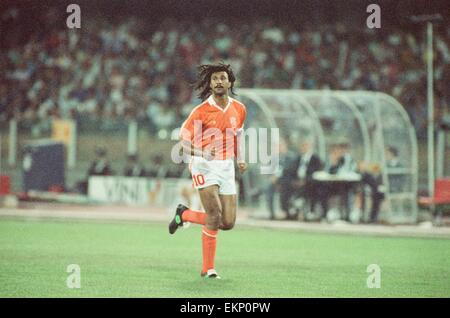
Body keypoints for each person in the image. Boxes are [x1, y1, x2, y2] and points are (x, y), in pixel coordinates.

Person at [168, 63, 247, 279]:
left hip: (226, 166)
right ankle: (208, 269)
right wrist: (203, 153)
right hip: (203, 164)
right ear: (210, 84)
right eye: (214, 79)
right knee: (214, 214)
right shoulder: (200, 111)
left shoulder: (239, 109)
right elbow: (182, 143)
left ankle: (184, 214)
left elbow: (237, 135)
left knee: (227, 222)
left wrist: (240, 159)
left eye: (222, 78)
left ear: (230, 82)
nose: (219, 81)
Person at [285, 139, 323, 220]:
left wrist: (305, 180)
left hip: (309, 183)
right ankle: (290, 211)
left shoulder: (315, 159)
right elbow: (291, 171)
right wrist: (293, 180)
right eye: (303, 146)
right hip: (297, 181)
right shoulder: (298, 158)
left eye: (306, 146)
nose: (304, 148)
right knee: (286, 185)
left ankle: (307, 210)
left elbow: (317, 173)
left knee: (310, 188)